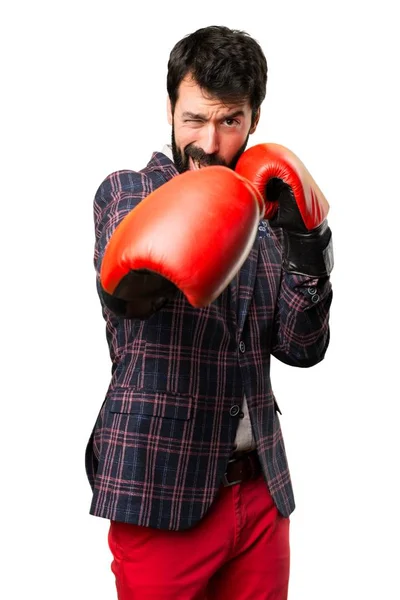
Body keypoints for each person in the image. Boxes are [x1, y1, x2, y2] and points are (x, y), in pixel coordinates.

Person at [85, 24, 333, 600]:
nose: (210, 143)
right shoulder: (128, 193)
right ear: (169, 109)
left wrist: (307, 243)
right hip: (158, 490)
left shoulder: (270, 212)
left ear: (254, 119)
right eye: (194, 119)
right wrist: (211, 220)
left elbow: (303, 347)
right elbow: (130, 303)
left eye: (230, 121)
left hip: (261, 492)